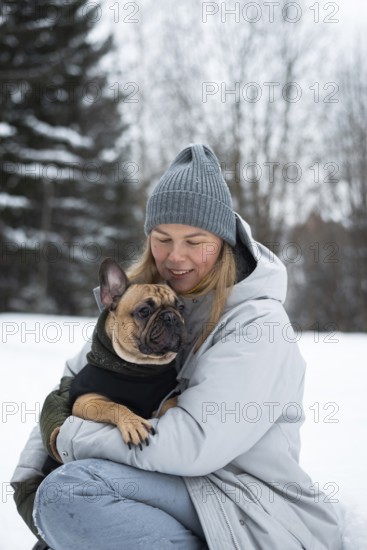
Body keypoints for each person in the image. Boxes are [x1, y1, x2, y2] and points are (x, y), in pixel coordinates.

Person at [11, 144, 343, 550]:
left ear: (222, 241)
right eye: (163, 238)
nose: (175, 256)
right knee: (61, 499)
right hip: (175, 486)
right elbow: (72, 385)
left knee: (72, 493)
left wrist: (68, 438)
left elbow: (191, 447)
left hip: (247, 505)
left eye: (194, 240)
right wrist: (30, 477)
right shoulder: (139, 301)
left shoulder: (258, 326)